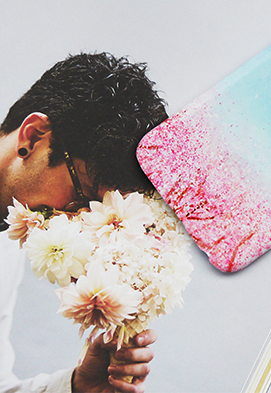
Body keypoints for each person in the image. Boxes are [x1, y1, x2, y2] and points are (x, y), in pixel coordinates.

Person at [0, 52, 169, 392]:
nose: (80, 226)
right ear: (32, 137)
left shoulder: (10, 247)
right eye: (84, 199)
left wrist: (77, 387)